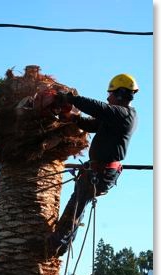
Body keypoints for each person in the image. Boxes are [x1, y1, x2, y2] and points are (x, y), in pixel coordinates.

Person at [48, 73, 139, 256]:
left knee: (76, 204)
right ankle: (60, 242)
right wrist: (74, 118)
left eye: (111, 94)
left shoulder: (124, 115)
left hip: (102, 173)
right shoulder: (115, 118)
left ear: (120, 94)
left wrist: (70, 99)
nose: (108, 97)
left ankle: (56, 243)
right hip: (98, 171)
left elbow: (98, 108)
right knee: (78, 202)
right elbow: (91, 125)